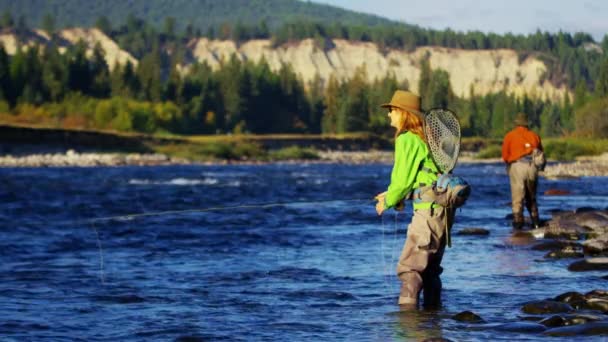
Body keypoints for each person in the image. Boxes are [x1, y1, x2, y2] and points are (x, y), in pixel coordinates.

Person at [375, 90, 453, 309]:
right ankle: (432, 325)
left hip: (427, 212)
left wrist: (387, 202)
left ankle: (407, 329)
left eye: (391, 110)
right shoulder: (429, 138)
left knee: (410, 271)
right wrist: (394, 195)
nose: (388, 115)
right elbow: (422, 176)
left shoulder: (407, 139)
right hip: (442, 212)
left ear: (402, 113)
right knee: (429, 272)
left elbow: (402, 180)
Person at [501, 112, 543, 230]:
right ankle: (536, 223)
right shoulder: (535, 136)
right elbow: (541, 153)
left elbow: (505, 156)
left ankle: (518, 227)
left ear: (516, 123)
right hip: (533, 167)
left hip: (517, 166)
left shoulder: (510, 136)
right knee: (531, 197)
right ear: (527, 124)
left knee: (518, 198)